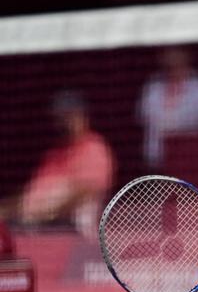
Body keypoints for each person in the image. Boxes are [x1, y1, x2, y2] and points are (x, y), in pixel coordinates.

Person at [1, 91, 115, 235]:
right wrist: (5, 210)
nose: (64, 121)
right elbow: (32, 193)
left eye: (69, 115)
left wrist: (44, 214)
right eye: (61, 117)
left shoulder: (94, 148)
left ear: (82, 116)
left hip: (65, 232)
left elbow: (86, 191)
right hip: (29, 227)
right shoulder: (55, 153)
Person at [137, 46, 198, 167]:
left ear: (187, 54)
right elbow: (143, 120)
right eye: (166, 51)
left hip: (194, 162)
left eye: (176, 51)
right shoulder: (152, 87)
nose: (171, 56)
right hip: (158, 164)